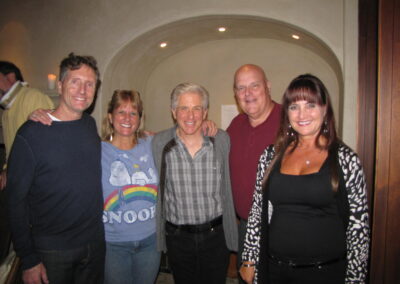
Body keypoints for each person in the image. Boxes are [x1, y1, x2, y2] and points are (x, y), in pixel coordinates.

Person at [239, 74, 370, 284]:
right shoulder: (270, 156)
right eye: (294, 107)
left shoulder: (346, 160)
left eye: (310, 105)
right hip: (275, 270)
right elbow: (256, 213)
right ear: (287, 113)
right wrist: (249, 260)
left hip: (325, 273)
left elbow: (358, 230)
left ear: (325, 109)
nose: (302, 114)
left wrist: (355, 280)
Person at [5, 53, 105, 284]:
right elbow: (15, 200)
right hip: (53, 251)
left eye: (89, 84)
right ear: (60, 86)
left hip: (94, 244)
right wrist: (28, 258)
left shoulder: (89, 126)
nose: (83, 90)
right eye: (75, 82)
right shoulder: (31, 134)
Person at [152, 82, 238, 284]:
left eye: (196, 108)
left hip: (215, 237)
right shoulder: (159, 143)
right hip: (178, 238)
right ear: (174, 112)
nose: (190, 116)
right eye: (184, 108)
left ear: (205, 112)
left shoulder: (221, 140)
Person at [227, 64, 281, 278]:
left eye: (254, 85)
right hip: (246, 227)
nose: (247, 93)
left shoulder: (289, 122)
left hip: (280, 229)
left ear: (267, 86)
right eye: (241, 88)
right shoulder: (236, 124)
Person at [101, 89, 160, 284]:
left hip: (150, 241)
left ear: (139, 118)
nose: (127, 118)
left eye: (133, 113)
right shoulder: (97, 149)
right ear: (110, 117)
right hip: (113, 245)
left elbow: (184, 134)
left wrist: (206, 126)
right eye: (121, 112)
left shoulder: (152, 143)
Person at [0, 61, 54, 190]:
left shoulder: (32, 97)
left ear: (11, 77)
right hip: (18, 180)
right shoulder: (6, 112)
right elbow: (12, 150)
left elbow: (48, 144)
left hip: (34, 182)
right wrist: (6, 169)